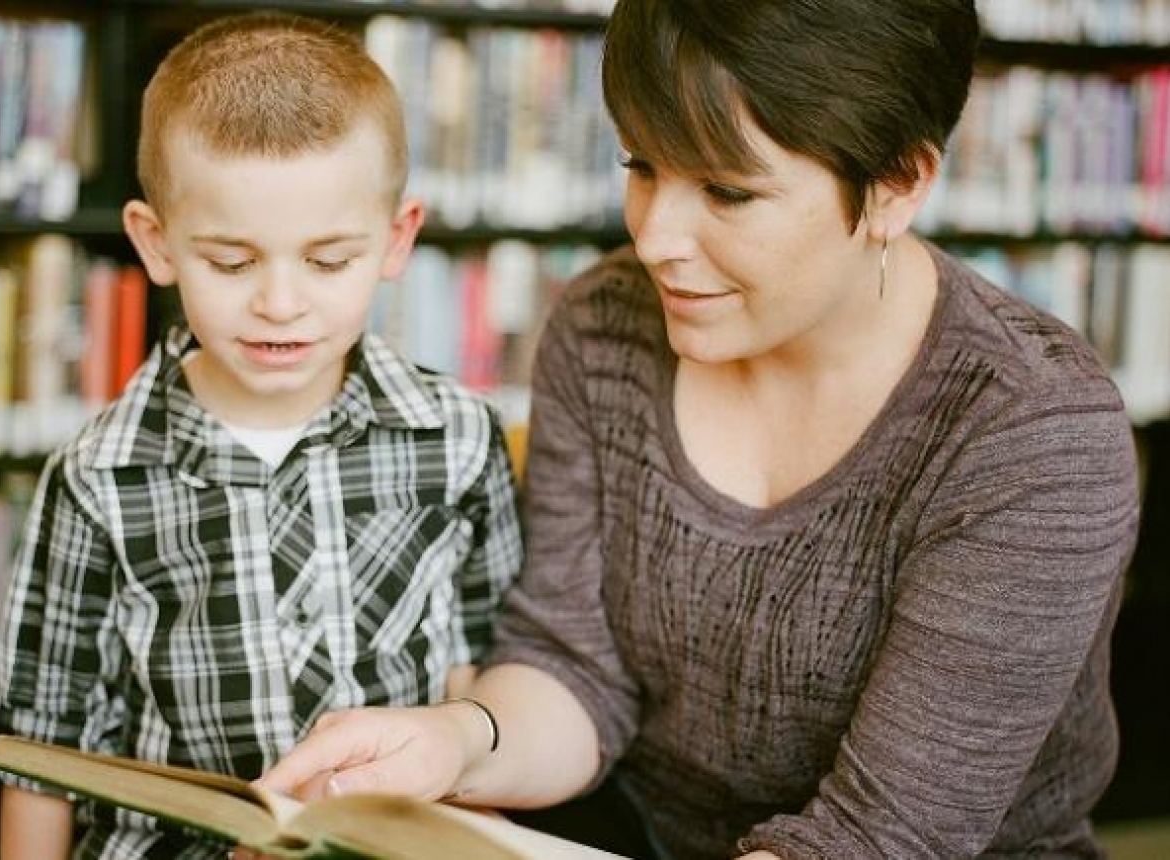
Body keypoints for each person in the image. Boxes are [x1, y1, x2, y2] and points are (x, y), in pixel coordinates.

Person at [258, 1, 1142, 858]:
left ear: (897, 185)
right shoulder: (605, 326)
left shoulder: (1031, 431)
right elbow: (575, 672)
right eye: (642, 166)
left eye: (726, 190)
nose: (655, 238)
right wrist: (454, 742)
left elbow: (882, 837)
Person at [0, 13, 523, 860]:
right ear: (156, 245)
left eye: (328, 260)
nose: (279, 303)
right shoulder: (98, 476)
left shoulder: (455, 436)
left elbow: (480, 676)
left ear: (396, 238)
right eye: (232, 263)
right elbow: (41, 743)